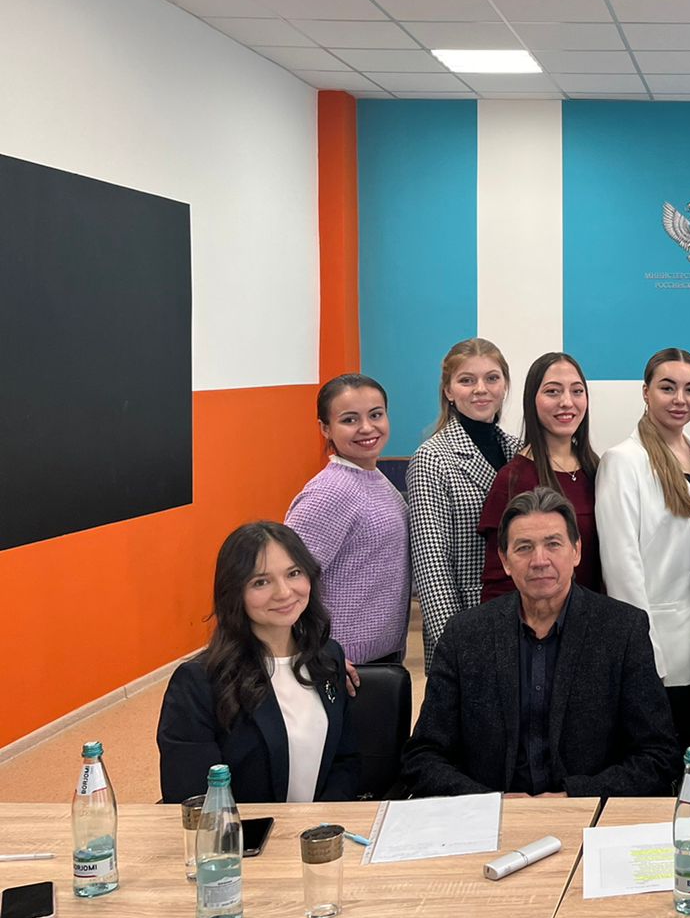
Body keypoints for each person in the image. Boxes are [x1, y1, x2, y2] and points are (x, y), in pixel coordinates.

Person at [400, 486, 678, 798]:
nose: (539, 560)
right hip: (491, 816)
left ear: (576, 551)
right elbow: (423, 756)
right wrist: (491, 801)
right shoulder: (465, 635)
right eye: (524, 548)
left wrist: (573, 797)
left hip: (588, 815)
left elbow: (658, 756)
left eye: (553, 544)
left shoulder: (622, 630)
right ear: (505, 560)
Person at [158, 522, 360, 804]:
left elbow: (344, 760)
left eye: (294, 573)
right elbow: (194, 798)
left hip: (320, 827)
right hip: (243, 831)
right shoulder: (199, 682)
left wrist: (322, 821)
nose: (284, 592)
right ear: (234, 592)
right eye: (261, 582)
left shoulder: (328, 657)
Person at [596, 348, 690, 752]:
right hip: (661, 643)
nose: (680, 399)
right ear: (646, 392)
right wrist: (645, 651)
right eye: (668, 388)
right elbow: (621, 566)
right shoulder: (623, 461)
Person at [408, 337, 518, 671]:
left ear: (505, 385)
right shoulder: (432, 458)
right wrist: (457, 649)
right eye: (467, 380)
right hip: (466, 621)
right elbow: (432, 567)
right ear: (448, 391)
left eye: (492, 378)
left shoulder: (519, 451)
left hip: (522, 615)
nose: (481, 389)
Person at [283, 374, 409, 666]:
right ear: (325, 428)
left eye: (375, 415)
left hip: (379, 654)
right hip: (341, 662)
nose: (367, 427)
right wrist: (314, 652)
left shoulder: (374, 478)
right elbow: (287, 580)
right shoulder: (328, 492)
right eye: (349, 420)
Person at [479, 352, 602, 602]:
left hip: (597, 618)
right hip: (540, 622)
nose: (567, 402)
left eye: (577, 391)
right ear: (531, 400)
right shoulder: (513, 479)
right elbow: (498, 584)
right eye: (553, 392)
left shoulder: (598, 469)